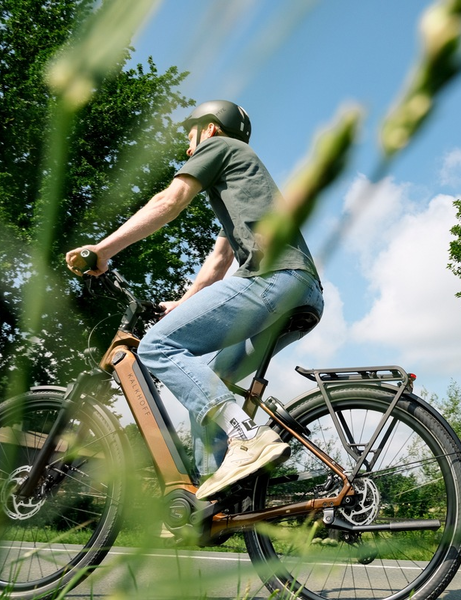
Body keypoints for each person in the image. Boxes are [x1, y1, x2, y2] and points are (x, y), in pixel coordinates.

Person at [66, 100, 324, 500]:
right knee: (208, 383)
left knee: (157, 346)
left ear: (211, 129)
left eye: (191, 135)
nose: (189, 148)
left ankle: (246, 436)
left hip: (273, 279)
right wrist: (185, 303)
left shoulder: (220, 147)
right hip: (304, 290)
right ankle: (215, 499)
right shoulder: (244, 186)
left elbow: (168, 202)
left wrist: (102, 250)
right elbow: (218, 263)